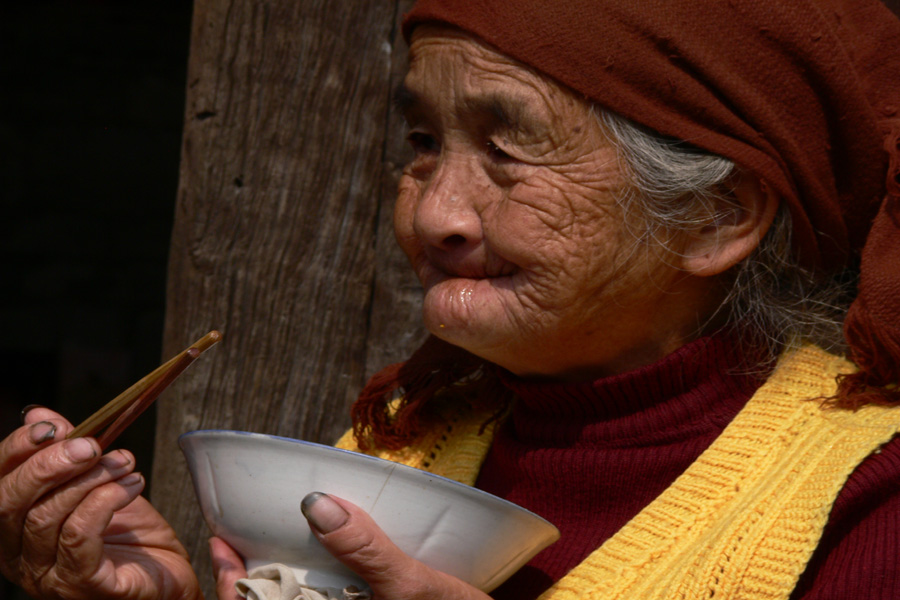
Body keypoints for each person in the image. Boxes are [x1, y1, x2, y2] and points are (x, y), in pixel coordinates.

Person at [2, 0, 899, 598]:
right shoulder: (412, 435)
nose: (434, 213)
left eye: (511, 151)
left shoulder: (868, 495)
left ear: (714, 217)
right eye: (424, 140)